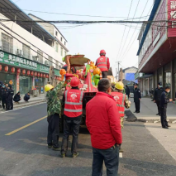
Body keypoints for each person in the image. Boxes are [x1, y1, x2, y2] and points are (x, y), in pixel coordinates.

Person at [86, 79, 122, 176]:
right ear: (109, 89)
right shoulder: (110, 103)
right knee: (112, 170)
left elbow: (88, 123)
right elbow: (115, 126)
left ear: (98, 88)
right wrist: (118, 141)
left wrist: (95, 134)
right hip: (109, 144)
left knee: (96, 170)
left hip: (96, 142)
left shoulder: (89, 103)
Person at [61, 77, 83, 158]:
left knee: (66, 134)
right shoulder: (81, 93)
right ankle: (74, 153)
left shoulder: (66, 92)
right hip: (77, 116)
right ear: (78, 85)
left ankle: (63, 152)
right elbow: (83, 102)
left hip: (67, 115)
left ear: (70, 84)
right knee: (75, 135)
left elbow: (63, 101)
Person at [45, 82, 64, 151]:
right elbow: (57, 88)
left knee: (50, 129)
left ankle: (50, 143)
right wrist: (63, 81)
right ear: (50, 89)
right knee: (55, 130)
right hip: (54, 114)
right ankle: (55, 145)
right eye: (52, 88)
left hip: (50, 115)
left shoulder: (49, 95)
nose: (53, 89)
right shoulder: (51, 93)